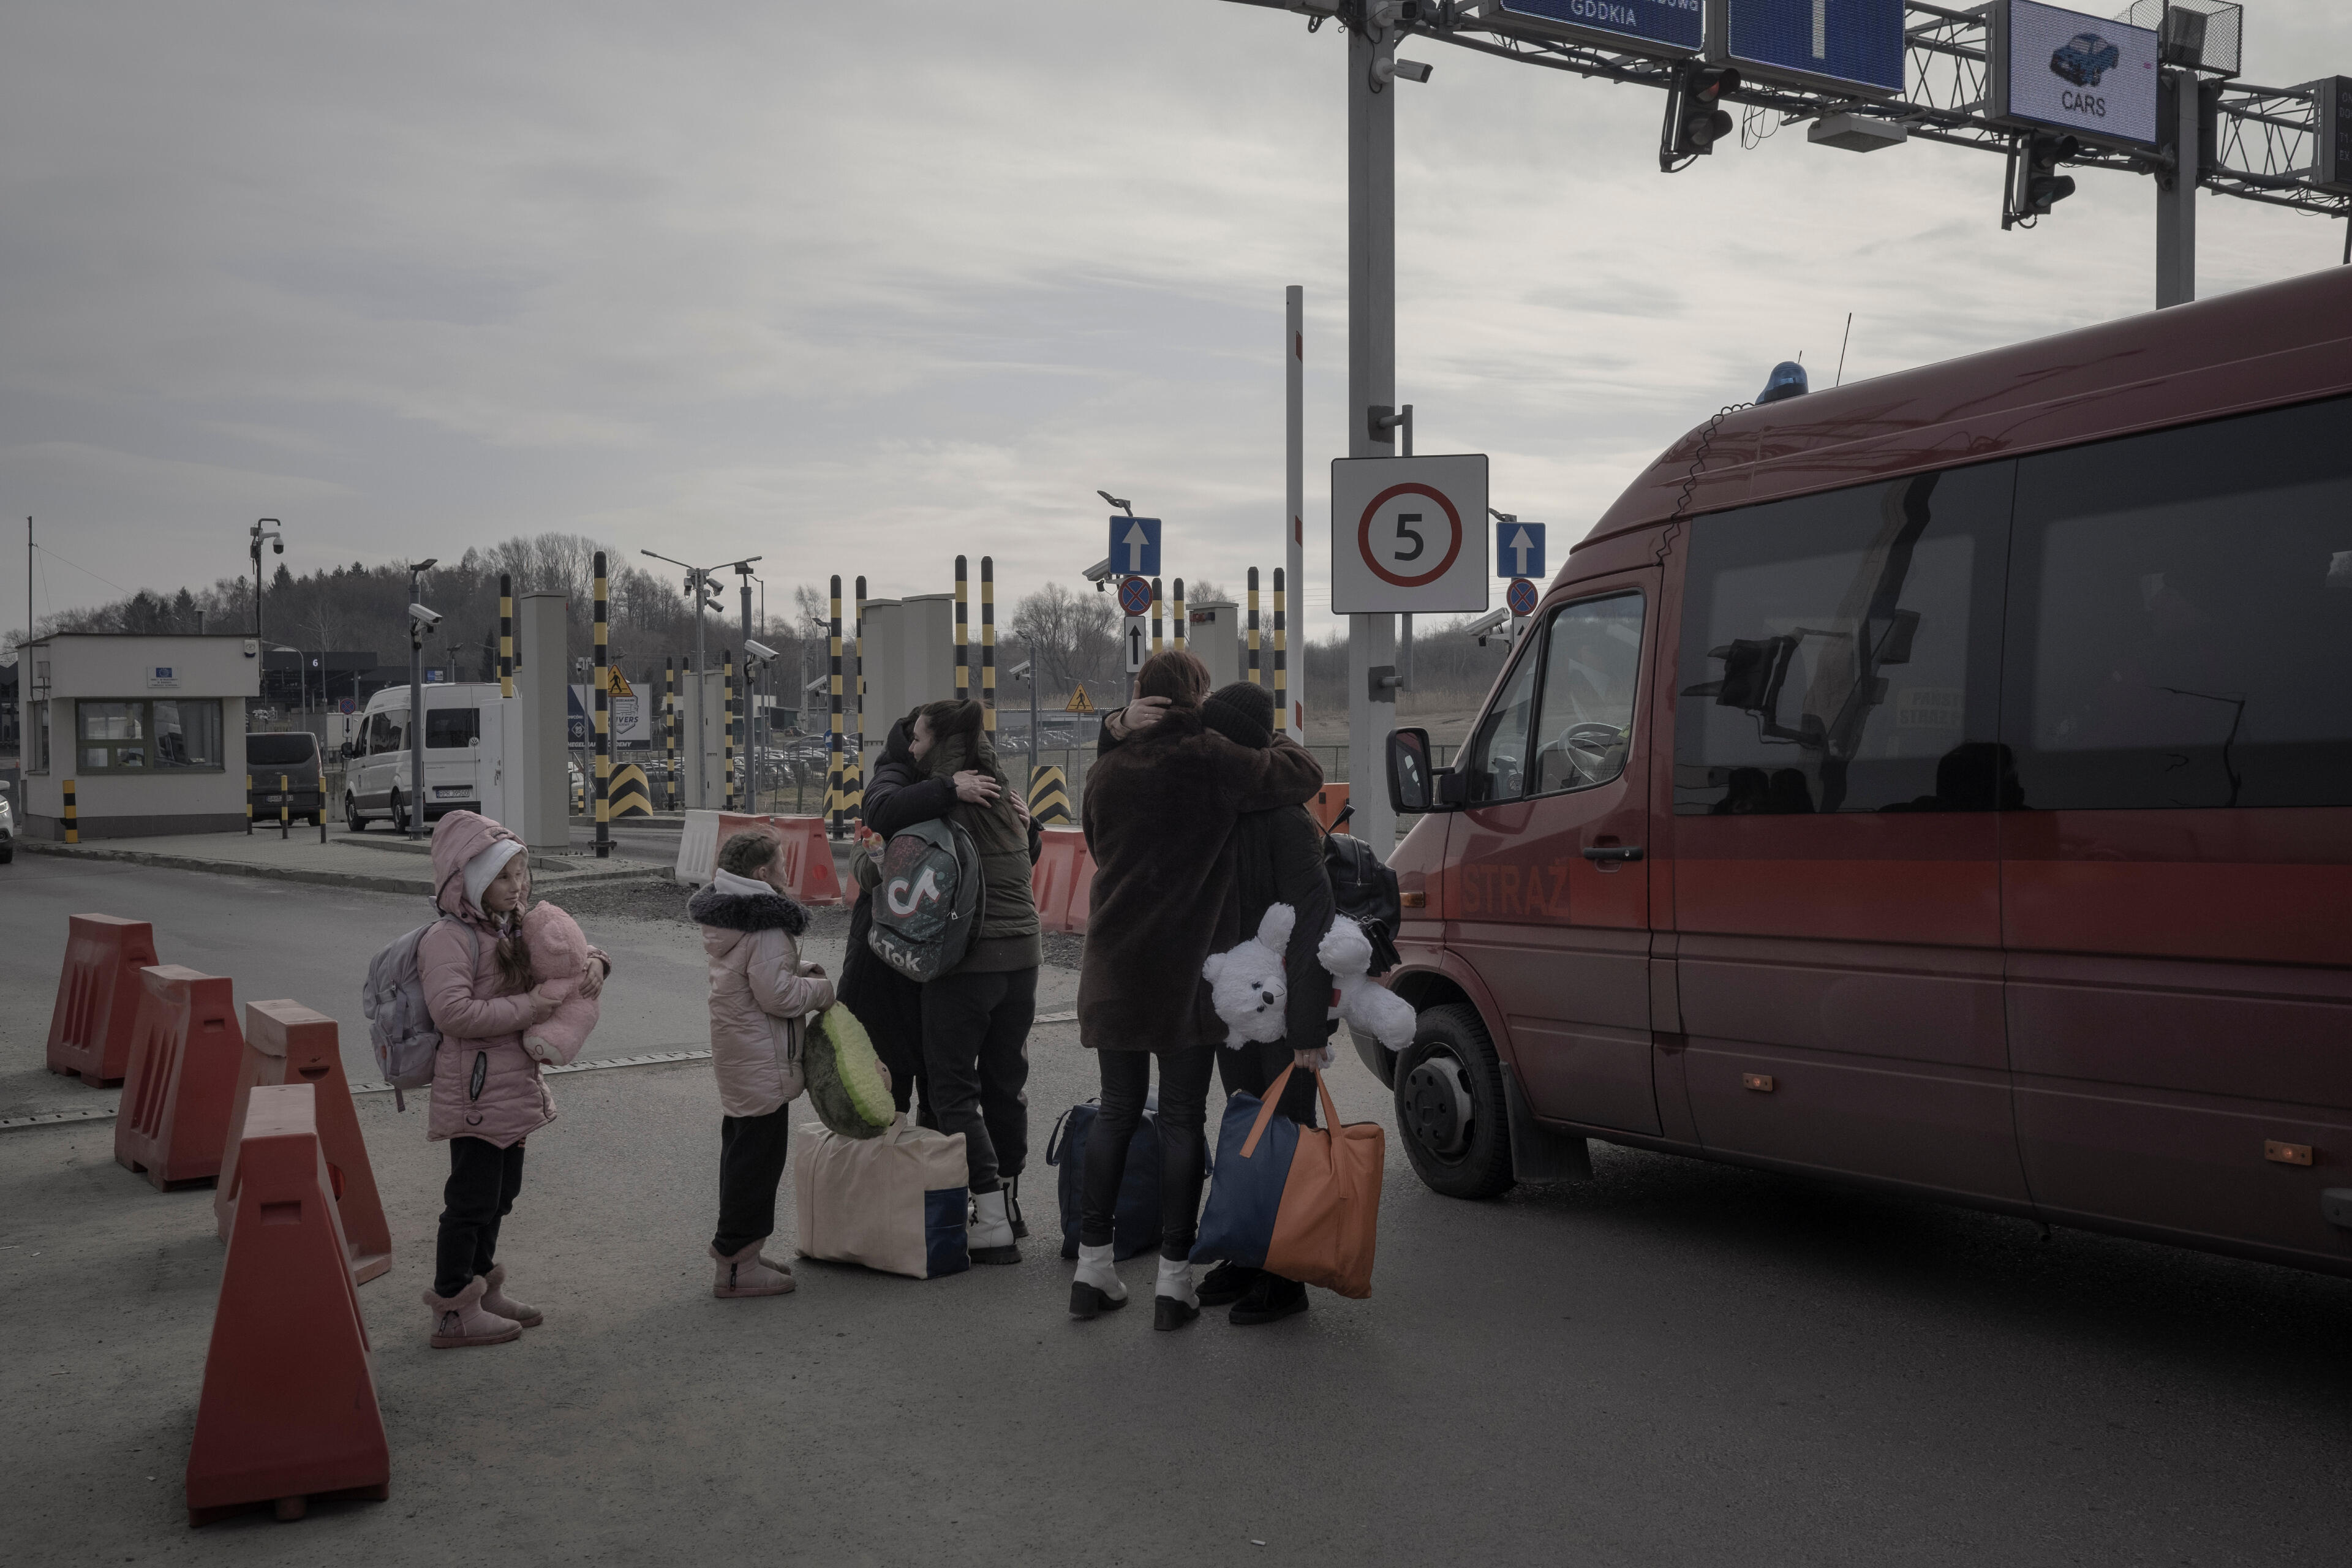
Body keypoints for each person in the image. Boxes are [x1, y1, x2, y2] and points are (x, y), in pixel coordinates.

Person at [1071, 651, 1322, 1330]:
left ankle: (1093, 1269)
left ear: (1139, 697)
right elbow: (1304, 775)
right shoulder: (1211, 757)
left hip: (1112, 968)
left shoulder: (1106, 768)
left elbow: (1097, 842)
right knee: (1182, 1118)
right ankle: (1173, 1284)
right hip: (1182, 975)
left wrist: (1113, 727)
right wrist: (1272, 735)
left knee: (1118, 1111)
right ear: (1197, 696)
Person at [418, 809, 610, 1349]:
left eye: (521, 873)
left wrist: (597, 962)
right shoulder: (449, 939)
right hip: (475, 1092)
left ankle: (482, 1289)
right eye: (504, 877)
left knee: (501, 1195)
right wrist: (529, 1007)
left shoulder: (511, 925)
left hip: (512, 1087)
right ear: (472, 881)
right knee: (470, 1201)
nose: (517, 886)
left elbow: (563, 947)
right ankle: (454, 1308)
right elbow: (452, 1014)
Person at [1193, 681, 1333, 1327]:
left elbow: (1313, 925)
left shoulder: (1286, 819)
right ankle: (1250, 1255)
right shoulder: (1224, 807)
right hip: (1238, 1012)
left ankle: (1287, 1275)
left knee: (1286, 1141)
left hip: (1283, 1014)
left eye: (1215, 736)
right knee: (1247, 1129)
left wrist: (1306, 1029)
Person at [910, 698, 1041, 1264]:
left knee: (952, 1091)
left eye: (918, 738)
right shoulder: (1008, 799)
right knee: (1004, 1083)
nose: (912, 747)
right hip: (1024, 961)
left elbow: (903, 877)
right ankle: (1009, 1206)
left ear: (941, 744)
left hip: (968, 964)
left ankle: (987, 1218)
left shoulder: (945, 804)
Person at [835, 708, 1006, 1126]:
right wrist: (947, 789)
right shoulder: (897, 771)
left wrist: (1027, 825)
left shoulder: (971, 778)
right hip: (886, 951)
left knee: (939, 1087)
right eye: (914, 739)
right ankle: (890, 1179)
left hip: (935, 955)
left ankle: (933, 1184)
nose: (915, 747)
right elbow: (879, 810)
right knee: (886, 1085)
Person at [689, 829, 837, 1298]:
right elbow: (777, 995)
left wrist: (799, 965)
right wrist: (822, 991)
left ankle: (741, 1253)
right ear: (762, 874)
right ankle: (737, 1266)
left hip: (740, 1053)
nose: (786, 870)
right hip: (763, 1057)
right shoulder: (768, 924)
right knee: (756, 1164)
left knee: (741, 1154)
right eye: (781, 862)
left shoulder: (732, 921)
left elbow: (756, 971)